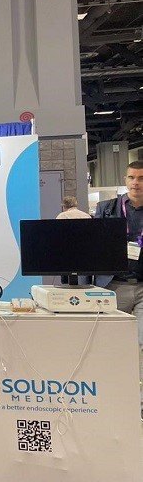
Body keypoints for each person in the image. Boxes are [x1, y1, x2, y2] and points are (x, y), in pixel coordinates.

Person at [93, 161, 143, 413]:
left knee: (141, 343)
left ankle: (138, 400)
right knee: (111, 342)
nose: (136, 183)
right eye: (132, 177)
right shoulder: (107, 208)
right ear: (125, 180)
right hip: (113, 285)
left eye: (141, 178)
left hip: (142, 286)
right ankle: (111, 394)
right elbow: (92, 245)